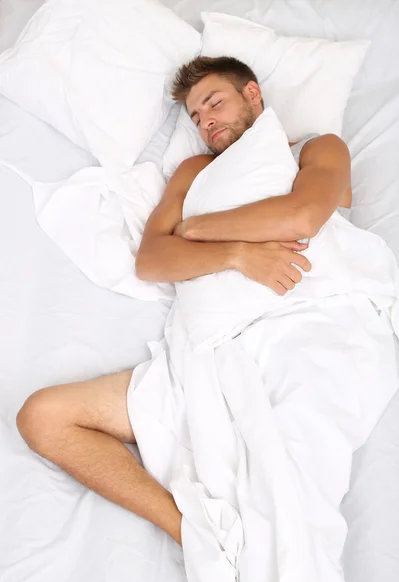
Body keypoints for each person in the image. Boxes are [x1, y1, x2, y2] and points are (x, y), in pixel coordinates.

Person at [16, 56, 352, 548]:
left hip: (297, 329)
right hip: (202, 349)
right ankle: (190, 532)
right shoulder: (195, 171)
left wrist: (195, 231)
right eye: (195, 117)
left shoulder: (315, 149)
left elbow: (301, 218)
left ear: (253, 95)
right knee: (40, 416)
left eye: (214, 103)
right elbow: (151, 260)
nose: (206, 121)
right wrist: (237, 254)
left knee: (283, 485)